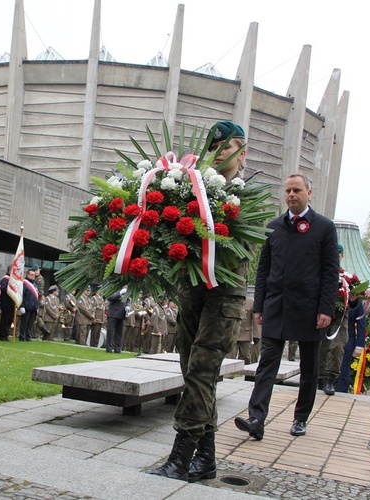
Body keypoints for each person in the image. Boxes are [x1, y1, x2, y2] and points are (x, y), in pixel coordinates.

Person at [149, 121, 251, 482]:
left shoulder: (248, 197)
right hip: (192, 291)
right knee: (191, 371)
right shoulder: (192, 188)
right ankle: (205, 458)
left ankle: (181, 456)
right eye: (215, 146)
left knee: (202, 372)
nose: (220, 152)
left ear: (243, 152)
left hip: (224, 297)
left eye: (228, 146)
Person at [235, 172, 338, 442]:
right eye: (288, 191)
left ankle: (300, 418)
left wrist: (326, 308)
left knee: (309, 368)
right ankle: (256, 418)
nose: (291, 195)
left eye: (297, 190)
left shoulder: (324, 227)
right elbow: (263, 269)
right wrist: (259, 305)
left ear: (308, 193)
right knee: (266, 363)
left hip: (309, 308)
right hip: (276, 306)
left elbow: (330, 272)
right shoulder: (274, 226)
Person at [317, 245, 348, 396]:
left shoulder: (346, 277)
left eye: (338, 254)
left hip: (340, 316)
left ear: (342, 256)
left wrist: (353, 299)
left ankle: (331, 378)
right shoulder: (318, 272)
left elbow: (355, 302)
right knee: (320, 346)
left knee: (337, 346)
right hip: (321, 313)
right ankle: (320, 379)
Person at [336, 290, 367, 393]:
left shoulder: (357, 305)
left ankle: (341, 390)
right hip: (332, 337)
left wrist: (359, 346)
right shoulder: (336, 299)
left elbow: (361, 325)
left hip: (349, 339)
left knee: (344, 366)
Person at [232, 297, 258, 364]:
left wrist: (256, 335)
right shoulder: (231, 301)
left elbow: (255, 321)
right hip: (232, 333)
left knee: (245, 356)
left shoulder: (250, 303)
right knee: (230, 356)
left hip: (245, 334)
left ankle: (246, 372)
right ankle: (230, 374)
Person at [18, 268, 39, 342]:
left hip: (33, 307)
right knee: (24, 323)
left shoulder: (35, 285)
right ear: (28, 275)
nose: (33, 276)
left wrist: (37, 307)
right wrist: (22, 306)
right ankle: (22, 336)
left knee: (30, 323)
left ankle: (28, 336)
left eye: (34, 275)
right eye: (32, 275)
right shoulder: (24, 283)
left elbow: (36, 297)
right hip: (26, 307)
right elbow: (21, 295)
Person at [105, 287, 127, 353]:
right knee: (110, 332)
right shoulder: (113, 288)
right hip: (113, 313)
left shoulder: (125, 289)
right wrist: (119, 293)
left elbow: (128, 299)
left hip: (121, 313)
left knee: (119, 332)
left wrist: (128, 306)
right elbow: (110, 298)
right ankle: (109, 348)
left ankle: (118, 348)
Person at [0, 265, 15, 341]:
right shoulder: (5, 278)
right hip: (6, 302)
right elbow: (3, 289)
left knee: (9, 320)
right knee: (5, 320)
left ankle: (6, 334)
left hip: (12, 303)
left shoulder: (14, 280)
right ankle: (2, 336)